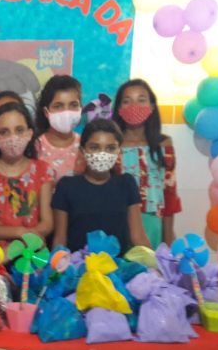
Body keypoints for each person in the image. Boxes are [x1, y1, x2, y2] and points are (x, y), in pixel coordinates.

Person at [51, 119, 150, 254]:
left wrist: (157, 263)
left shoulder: (126, 183)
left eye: (110, 148)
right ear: (82, 151)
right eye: (94, 147)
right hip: (78, 264)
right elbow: (60, 239)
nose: (102, 154)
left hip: (118, 264)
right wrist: (57, 263)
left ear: (119, 151)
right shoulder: (66, 186)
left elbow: (138, 237)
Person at [112, 78, 182, 247]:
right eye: (127, 101)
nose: (134, 106)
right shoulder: (112, 146)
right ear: (119, 108)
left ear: (151, 106)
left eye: (141, 100)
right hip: (118, 223)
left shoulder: (163, 145)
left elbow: (169, 194)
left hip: (153, 225)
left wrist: (168, 242)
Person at [0, 102, 53, 245]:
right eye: (4, 132)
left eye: (19, 130)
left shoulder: (43, 171)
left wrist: (25, 241)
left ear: (30, 133)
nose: (13, 137)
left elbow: (47, 223)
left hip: (31, 250)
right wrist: (19, 232)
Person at [35, 75, 85, 183]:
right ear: (46, 112)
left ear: (80, 108)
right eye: (58, 106)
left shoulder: (86, 145)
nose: (66, 112)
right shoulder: (35, 146)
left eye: (73, 105)